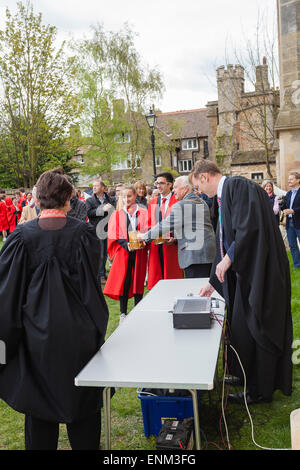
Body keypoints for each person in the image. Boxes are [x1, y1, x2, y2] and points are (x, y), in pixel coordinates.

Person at [0, 169, 109, 450]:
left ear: (37, 198)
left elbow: (8, 296)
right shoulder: (85, 235)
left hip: (36, 342)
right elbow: (92, 292)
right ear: (69, 200)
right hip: (80, 339)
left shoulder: (20, 237)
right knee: (83, 410)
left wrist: (5, 346)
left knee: (39, 414)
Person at [191, 159, 293, 405]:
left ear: (204, 177)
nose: (199, 192)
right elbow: (225, 240)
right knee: (240, 327)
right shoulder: (225, 197)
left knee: (256, 325)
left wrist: (228, 260)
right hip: (246, 273)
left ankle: (259, 389)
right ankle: (245, 375)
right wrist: (212, 281)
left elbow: (249, 229)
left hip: (261, 273)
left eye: (197, 186)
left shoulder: (239, 187)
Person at [140, 176, 216, 278]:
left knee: (197, 290)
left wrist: (145, 236)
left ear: (185, 188)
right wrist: (175, 240)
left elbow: (166, 225)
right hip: (206, 254)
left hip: (195, 257)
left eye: (175, 187)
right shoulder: (201, 202)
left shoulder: (182, 205)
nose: (173, 190)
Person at [103, 185, 148, 323]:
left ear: (135, 196)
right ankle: (123, 312)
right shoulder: (117, 214)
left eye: (129, 196)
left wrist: (144, 239)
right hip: (124, 252)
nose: (126, 199)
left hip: (139, 251)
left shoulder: (143, 213)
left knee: (138, 279)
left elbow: (147, 228)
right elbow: (114, 233)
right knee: (125, 280)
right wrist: (126, 244)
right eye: (124, 196)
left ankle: (138, 308)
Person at [147, 172, 183, 289]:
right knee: (157, 280)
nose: (158, 186)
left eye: (161, 183)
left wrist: (176, 239)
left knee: (173, 281)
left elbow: (182, 225)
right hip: (155, 246)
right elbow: (148, 223)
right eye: (157, 183)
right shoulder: (152, 202)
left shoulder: (177, 201)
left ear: (170, 185)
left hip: (172, 247)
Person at [85, 180, 114, 283]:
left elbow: (113, 212)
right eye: (93, 186)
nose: (94, 187)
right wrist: (102, 209)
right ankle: (100, 275)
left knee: (106, 253)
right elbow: (89, 213)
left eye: (97, 186)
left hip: (108, 229)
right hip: (96, 230)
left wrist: (111, 209)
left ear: (103, 187)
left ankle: (103, 273)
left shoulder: (109, 199)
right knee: (100, 253)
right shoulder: (90, 200)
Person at [281, 172, 300, 268]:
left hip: (299, 222)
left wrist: (293, 210)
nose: (289, 181)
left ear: (298, 180)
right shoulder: (288, 193)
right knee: (292, 245)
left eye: (291, 179)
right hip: (289, 223)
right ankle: (297, 264)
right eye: (288, 179)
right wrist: (282, 205)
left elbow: (293, 209)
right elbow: (285, 208)